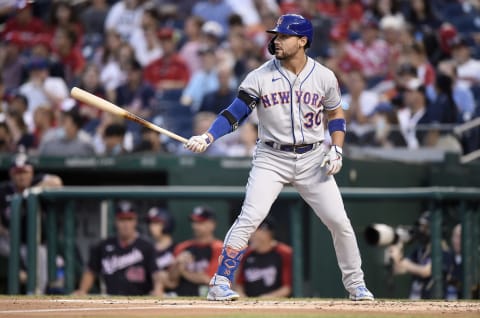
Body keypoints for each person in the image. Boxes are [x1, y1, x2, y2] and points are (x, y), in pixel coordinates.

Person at [184, 14, 374, 301]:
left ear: (303, 41)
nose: (277, 40)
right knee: (250, 217)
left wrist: (337, 148)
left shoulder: (324, 76)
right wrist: (208, 136)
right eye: (276, 36)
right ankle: (220, 282)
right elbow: (236, 112)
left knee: (339, 222)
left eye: (284, 36)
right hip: (271, 157)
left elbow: (335, 113)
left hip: (313, 157)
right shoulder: (259, 76)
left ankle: (356, 285)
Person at [0, 152, 63, 293]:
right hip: (8, 239)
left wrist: (30, 192)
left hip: (34, 243)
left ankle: (35, 293)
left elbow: (57, 182)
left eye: (25, 172)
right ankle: (20, 271)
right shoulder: (4, 190)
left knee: (40, 255)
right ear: (11, 174)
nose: (21, 176)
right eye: (17, 172)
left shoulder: (37, 181)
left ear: (31, 172)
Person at [74, 200, 162, 296]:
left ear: (135, 221)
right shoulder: (103, 246)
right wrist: (83, 290)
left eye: (129, 219)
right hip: (112, 299)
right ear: (116, 221)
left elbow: (156, 274)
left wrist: (158, 289)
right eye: (122, 219)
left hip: (140, 300)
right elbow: (91, 271)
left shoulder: (146, 246)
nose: (126, 224)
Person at [388, 211, 456, 299]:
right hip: (416, 300)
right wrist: (398, 246)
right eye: (421, 226)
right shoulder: (419, 251)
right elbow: (398, 269)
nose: (421, 230)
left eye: (426, 227)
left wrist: (403, 262)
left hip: (436, 302)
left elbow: (426, 271)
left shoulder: (444, 252)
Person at [170, 206, 223, 297]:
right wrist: (177, 263)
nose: (195, 226)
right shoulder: (182, 247)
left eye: (200, 222)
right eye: (194, 222)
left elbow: (209, 279)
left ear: (212, 224)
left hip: (208, 299)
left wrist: (183, 271)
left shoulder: (219, 248)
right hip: (180, 297)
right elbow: (172, 280)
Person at [235, 217, 292, 298]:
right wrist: (243, 297)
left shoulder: (284, 252)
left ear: (267, 233)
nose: (251, 235)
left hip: (275, 303)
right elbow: (239, 284)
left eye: (254, 231)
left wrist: (264, 299)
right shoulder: (245, 254)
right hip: (249, 303)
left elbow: (287, 288)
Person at [146, 206, 177, 297]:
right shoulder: (147, 250)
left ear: (167, 224)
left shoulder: (177, 248)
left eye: (156, 223)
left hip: (175, 294)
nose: (152, 227)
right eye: (151, 223)